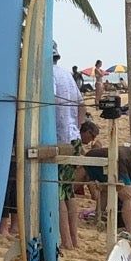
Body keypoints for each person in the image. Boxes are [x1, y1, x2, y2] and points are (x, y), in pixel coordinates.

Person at [52, 50, 83, 250]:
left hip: (59, 138)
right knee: (69, 191)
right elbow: (81, 105)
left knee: (58, 192)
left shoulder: (49, 75)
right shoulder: (67, 75)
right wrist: (78, 129)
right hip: (74, 138)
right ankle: (74, 239)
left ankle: (66, 241)